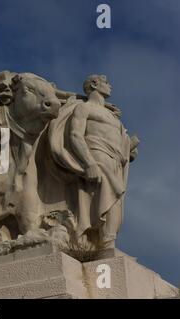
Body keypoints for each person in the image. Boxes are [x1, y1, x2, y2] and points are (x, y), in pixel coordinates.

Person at [48, 75, 138, 249]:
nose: (110, 86)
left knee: (116, 202)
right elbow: (75, 135)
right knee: (108, 197)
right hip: (98, 155)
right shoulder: (84, 108)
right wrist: (89, 163)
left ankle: (106, 242)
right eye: (106, 82)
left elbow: (119, 141)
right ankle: (105, 242)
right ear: (95, 85)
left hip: (116, 161)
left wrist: (129, 146)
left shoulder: (112, 116)